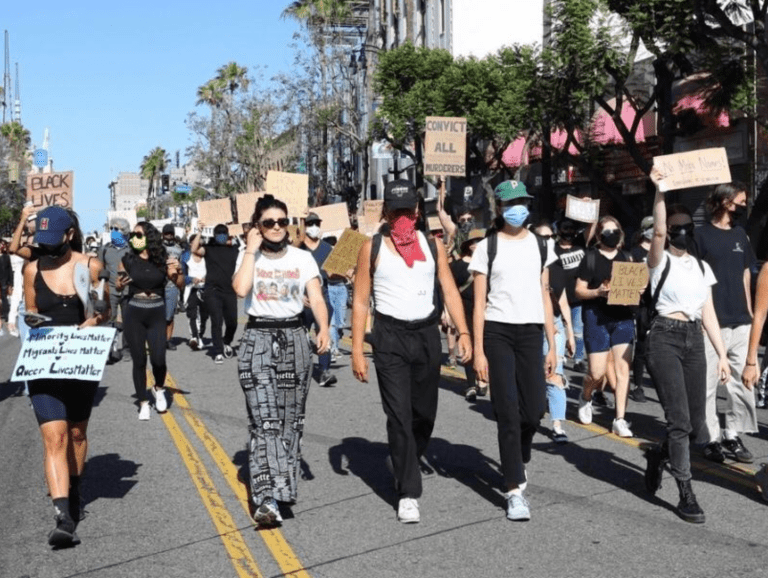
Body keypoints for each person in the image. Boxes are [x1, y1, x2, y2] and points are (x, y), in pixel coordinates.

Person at [352, 179, 471, 524]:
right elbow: (360, 302)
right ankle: (408, 491)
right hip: (389, 337)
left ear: (417, 211)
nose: (403, 215)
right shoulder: (370, 247)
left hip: (425, 336)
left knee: (424, 415)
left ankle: (404, 458)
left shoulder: (433, 246)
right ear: (387, 213)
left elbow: (449, 290)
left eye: (408, 209)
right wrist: (358, 350)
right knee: (399, 417)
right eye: (396, 210)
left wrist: (464, 332)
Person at [232, 194, 330, 527]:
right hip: (257, 340)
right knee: (265, 422)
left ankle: (282, 487)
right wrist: (249, 249)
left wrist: (324, 328)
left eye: (281, 221)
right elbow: (240, 289)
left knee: (290, 422)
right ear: (257, 227)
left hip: (294, 341)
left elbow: (315, 296)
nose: (276, 227)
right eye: (268, 222)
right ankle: (266, 497)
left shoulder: (303, 259)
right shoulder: (249, 257)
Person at [643, 166, 729, 523]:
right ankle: (685, 491)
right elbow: (659, 229)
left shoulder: (699, 266)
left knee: (694, 424)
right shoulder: (657, 259)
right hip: (664, 336)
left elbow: (708, 313)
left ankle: (660, 455)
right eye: (674, 227)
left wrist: (722, 355)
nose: (679, 232)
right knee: (678, 420)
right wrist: (660, 191)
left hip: (694, 339)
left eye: (685, 227)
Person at [22, 206, 110, 547]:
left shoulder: (90, 266)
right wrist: (32, 319)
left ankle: (75, 493)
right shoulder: (32, 270)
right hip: (44, 363)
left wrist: (93, 320)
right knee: (54, 437)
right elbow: (31, 309)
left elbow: (103, 309)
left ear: (69, 235)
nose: (45, 247)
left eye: (52, 239)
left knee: (75, 433)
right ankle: (63, 516)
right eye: (41, 240)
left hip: (79, 362)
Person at [470, 180, 557, 521]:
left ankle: (520, 455)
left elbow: (545, 293)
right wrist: (478, 351)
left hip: (532, 332)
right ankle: (513, 489)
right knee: (507, 412)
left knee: (534, 409)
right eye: (510, 203)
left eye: (522, 201)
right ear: (499, 209)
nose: (517, 208)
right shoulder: (486, 248)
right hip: (498, 332)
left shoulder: (540, 245)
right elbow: (478, 305)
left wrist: (552, 346)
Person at [694, 182, 758, 463]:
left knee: (742, 383)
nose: (744, 207)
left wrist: (751, 313)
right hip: (712, 323)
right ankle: (710, 439)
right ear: (723, 202)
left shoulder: (741, 235)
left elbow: (746, 274)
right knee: (708, 385)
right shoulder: (701, 236)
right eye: (740, 202)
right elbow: (695, 281)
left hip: (741, 321)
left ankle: (732, 434)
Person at [574, 216, 635, 437]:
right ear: (599, 236)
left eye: (616, 230)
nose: (613, 234)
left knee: (622, 370)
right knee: (596, 373)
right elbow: (579, 290)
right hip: (596, 317)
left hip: (623, 317)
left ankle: (620, 419)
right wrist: (598, 292)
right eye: (607, 231)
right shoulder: (590, 258)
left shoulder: (627, 258)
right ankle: (586, 395)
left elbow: (637, 286)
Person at [117, 222, 183, 420]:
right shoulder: (127, 260)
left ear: (149, 237)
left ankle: (159, 388)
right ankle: (143, 402)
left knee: (159, 359)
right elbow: (119, 286)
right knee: (139, 361)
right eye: (132, 234)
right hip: (134, 313)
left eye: (138, 234)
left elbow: (178, 284)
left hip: (156, 312)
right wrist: (120, 284)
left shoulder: (163, 259)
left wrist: (177, 272)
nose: (134, 237)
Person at [534, 221, 575, 444]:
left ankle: (558, 424)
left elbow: (562, 300)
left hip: (555, 325)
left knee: (555, 374)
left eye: (551, 236)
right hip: (531, 326)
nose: (548, 241)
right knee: (536, 374)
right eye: (543, 237)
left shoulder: (558, 266)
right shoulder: (527, 265)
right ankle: (535, 408)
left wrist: (569, 332)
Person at [191, 224, 239, 364]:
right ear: (214, 234)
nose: (221, 235)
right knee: (216, 321)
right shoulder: (209, 249)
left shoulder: (234, 249)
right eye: (219, 233)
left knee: (233, 322)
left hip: (229, 291)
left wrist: (238, 232)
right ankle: (218, 352)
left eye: (224, 232)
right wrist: (199, 231)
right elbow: (194, 249)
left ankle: (226, 341)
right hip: (212, 291)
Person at [299, 212, 337, 386]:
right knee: (299, 335)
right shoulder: (297, 249)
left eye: (317, 223)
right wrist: (298, 296)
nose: (314, 227)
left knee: (323, 331)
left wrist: (345, 271)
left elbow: (333, 273)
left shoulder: (327, 249)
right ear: (305, 226)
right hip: (302, 298)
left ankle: (324, 371)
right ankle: (297, 368)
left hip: (323, 296)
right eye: (310, 223)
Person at [449, 227, 487, 401]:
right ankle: (471, 383)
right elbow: (450, 290)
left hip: (485, 309)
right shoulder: (457, 266)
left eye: (480, 241)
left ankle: (482, 379)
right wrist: (447, 313)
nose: (477, 244)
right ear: (468, 244)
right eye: (474, 241)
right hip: (464, 309)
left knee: (485, 344)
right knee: (467, 344)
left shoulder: (488, 263)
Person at [554, 217, 588, 372]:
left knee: (578, 330)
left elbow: (591, 229)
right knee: (558, 329)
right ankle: (558, 355)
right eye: (565, 230)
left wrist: (589, 211)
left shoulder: (580, 245)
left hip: (577, 298)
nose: (569, 234)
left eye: (571, 230)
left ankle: (578, 359)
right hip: (559, 297)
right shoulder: (554, 250)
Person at [629, 215, 654, 403]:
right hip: (641, 305)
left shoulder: (662, 251)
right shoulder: (635, 254)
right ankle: (638, 385)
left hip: (658, 304)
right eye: (651, 227)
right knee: (641, 346)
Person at [99, 217, 132, 359]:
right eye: (111, 229)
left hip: (128, 291)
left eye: (116, 229)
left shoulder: (132, 250)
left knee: (128, 320)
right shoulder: (105, 249)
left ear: (125, 231)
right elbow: (99, 269)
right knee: (110, 320)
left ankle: (127, 349)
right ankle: (110, 349)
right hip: (110, 290)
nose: (113, 232)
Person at [182, 233, 208, 350]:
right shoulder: (186, 256)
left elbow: (213, 271)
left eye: (201, 242)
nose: (199, 244)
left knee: (204, 316)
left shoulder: (207, 256)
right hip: (191, 289)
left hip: (205, 290)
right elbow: (182, 275)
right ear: (191, 244)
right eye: (196, 242)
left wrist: (208, 279)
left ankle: (200, 335)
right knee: (192, 315)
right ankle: (194, 337)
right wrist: (191, 279)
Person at [162, 224, 183, 350]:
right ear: (163, 234)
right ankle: (158, 339)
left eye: (171, 233)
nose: (169, 236)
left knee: (169, 316)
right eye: (167, 233)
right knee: (157, 315)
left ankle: (168, 339)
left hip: (172, 285)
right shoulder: (157, 247)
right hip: (158, 284)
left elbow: (182, 267)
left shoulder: (178, 249)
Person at [0, 239, 12, 336]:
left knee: (4, 298)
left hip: (4, 281)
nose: (2, 245)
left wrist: (10, 283)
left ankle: (7, 314)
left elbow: (9, 270)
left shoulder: (6, 257)